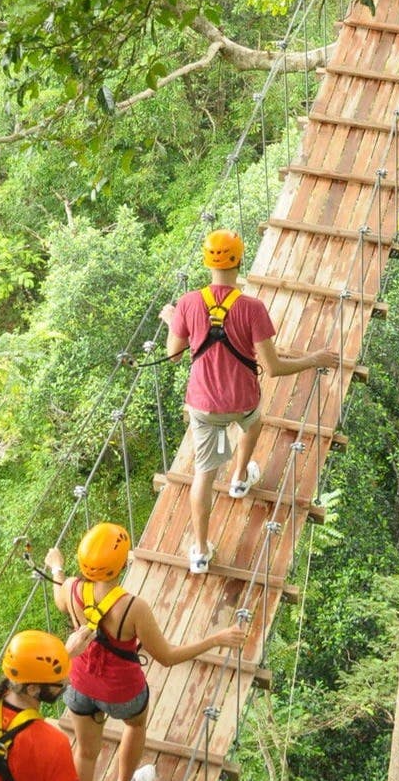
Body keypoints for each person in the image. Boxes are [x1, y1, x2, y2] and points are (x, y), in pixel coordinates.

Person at [159, 229, 339, 573]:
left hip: (203, 405)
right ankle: (241, 477)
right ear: (240, 260)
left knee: (203, 474)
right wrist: (313, 359)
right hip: (242, 400)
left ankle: (199, 551)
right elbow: (273, 368)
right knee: (254, 421)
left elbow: (173, 354)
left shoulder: (188, 303)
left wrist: (172, 320)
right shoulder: (252, 308)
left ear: (205, 260)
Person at [44, 523, 247, 781]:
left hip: (80, 685)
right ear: (122, 565)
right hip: (122, 692)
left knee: (85, 753)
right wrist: (217, 638)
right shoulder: (133, 608)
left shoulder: (72, 588)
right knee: (135, 725)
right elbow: (167, 657)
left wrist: (55, 567)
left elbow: (59, 597)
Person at [0, 629, 85, 781]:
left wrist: (64, 656)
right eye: (60, 682)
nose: (68, 682)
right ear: (32, 689)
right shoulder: (53, 744)